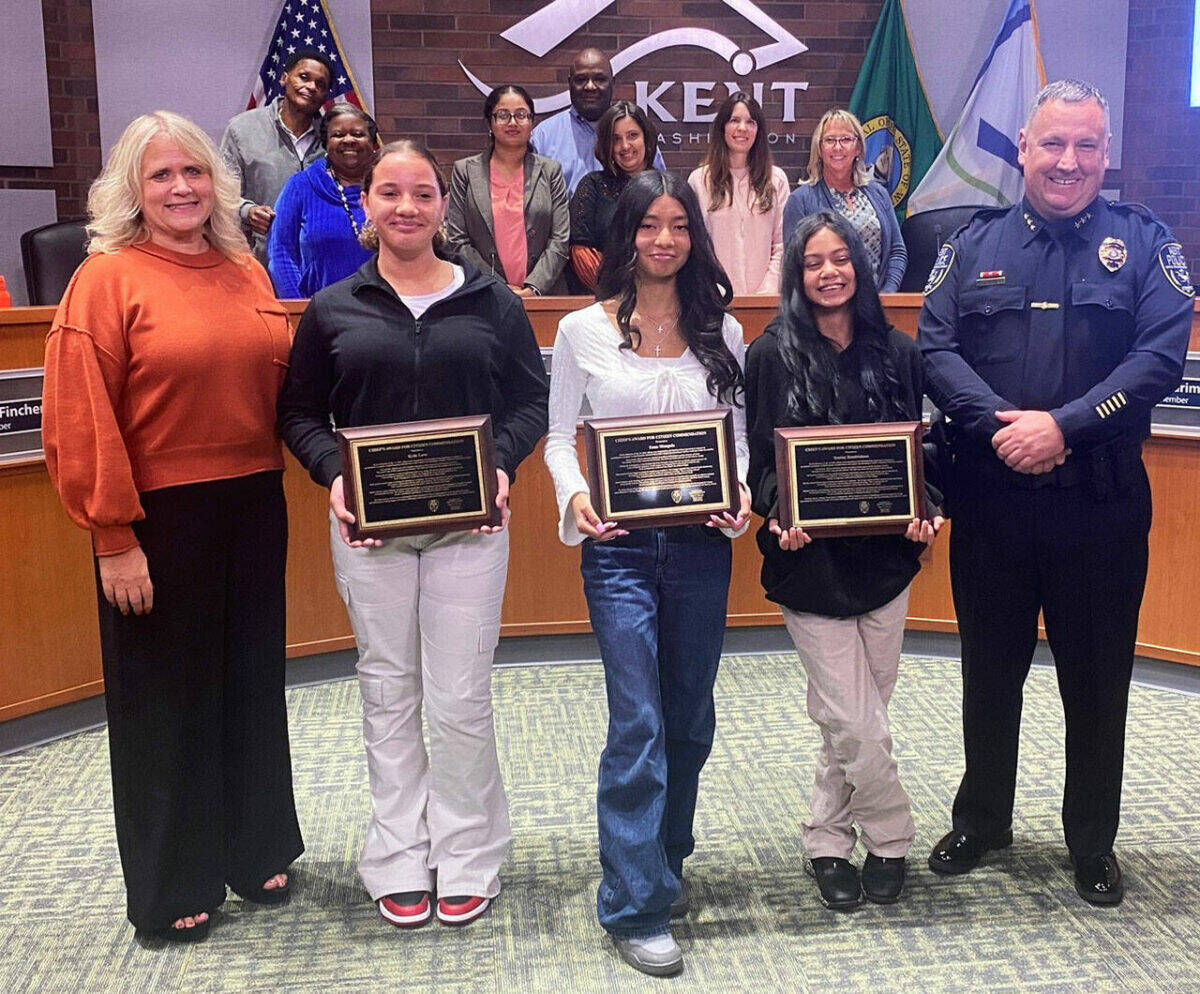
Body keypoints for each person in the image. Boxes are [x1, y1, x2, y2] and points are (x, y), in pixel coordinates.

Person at [917, 80, 1193, 906]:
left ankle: (1091, 841)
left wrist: (1064, 427)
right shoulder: (972, 242)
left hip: (1099, 504)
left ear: (1103, 155)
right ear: (1025, 150)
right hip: (994, 500)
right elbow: (934, 345)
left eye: (1085, 147)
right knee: (989, 672)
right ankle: (983, 818)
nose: (1068, 162)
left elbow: (1158, 357)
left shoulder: (1142, 241)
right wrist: (1004, 423)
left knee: (1097, 678)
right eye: (1052, 145)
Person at [42, 110, 304, 942]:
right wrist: (113, 537)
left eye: (192, 172)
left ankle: (254, 844)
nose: (182, 188)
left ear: (216, 183)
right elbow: (81, 415)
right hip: (159, 520)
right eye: (161, 176)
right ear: (132, 190)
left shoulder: (243, 268)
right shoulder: (106, 278)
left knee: (251, 685)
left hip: (254, 506)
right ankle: (173, 880)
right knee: (165, 705)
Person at [278, 140, 549, 929]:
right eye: (389, 192)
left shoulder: (492, 300)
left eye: (422, 193)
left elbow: (529, 401)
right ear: (366, 204)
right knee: (388, 691)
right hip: (370, 533)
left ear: (443, 205)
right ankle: (398, 851)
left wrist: (500, 464)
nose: (406, 206)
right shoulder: (334, 307)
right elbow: (296, 412)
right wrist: (335, 476)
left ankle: (467, 852)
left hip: (471, 530)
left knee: (461, 698)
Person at [544, 170, 751, 976]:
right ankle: (634, 903)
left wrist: (735, 493)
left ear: (693, 238)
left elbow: (731, 438)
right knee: (639, 723)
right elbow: (563, 438)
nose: (664, 240)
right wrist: (577, 497)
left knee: (689, 722)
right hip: (621, 549)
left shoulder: (721, 330)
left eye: (678, 226)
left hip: (702, 547)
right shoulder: (581, 331)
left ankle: (662, 860)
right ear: (625, 235)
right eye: (648, 226)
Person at [746, 212, 942, 911]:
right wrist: (779, 513)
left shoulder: (901, 351)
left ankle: (826, 838)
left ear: (859, 266)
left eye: (840, 259)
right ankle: (891, 837)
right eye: (812, 263)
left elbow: (920, 452)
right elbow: (761, 462)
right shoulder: (769, 353)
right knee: (860, 723)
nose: (829, 272)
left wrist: (929, 503)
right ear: (796, 277)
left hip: (886, 565)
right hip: (810, 569)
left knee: (849, 719)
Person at [445, 84, 570, 295]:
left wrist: (534, 287)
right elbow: (457, 240)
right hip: (483, 294)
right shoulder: (464, 171)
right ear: (490, 122)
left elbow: (560, 239)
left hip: (544, 296)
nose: (513, 122)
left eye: (521, 115)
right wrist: (498, 287)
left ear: (532, 122)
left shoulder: (550, 171)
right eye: (503, 115)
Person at [220, 48, 334, 264]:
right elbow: (220, 194)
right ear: (284, 78)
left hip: (321, 267)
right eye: (304, 77)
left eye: (320, 84)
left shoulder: (333, 138)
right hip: (260, 263)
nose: (311, 87)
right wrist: (248, 211)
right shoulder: (242, 129)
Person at [783, 109, 907, 293]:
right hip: (825, 309)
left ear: (858, 148)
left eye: (846, 140)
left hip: (877, 307)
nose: (838, 147)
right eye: (830, 140)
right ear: (819, 149)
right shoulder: (800, 201)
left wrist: (887, 295)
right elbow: (794, 264)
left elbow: (897, 252)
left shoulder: (879, 194)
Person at [268, 103, 377, 298]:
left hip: (386, 311)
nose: (349, 140)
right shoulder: (301, 185)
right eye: (338, 135)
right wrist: (301, 308)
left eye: (358, 134)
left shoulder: (389, 186)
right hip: (320, 312)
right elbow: (281, 253)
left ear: (372, 142)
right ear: (325, 143)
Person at [687, 91, 789, 295]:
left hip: (765, 301)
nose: (742, 128)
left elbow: (781, 245)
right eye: (734, 120)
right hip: (713, 299)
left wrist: (766, 292)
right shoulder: (699, 181)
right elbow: (696, 247)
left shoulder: (776, 179)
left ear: (758, 130)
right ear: (722, 127)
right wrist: (715, 291)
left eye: (750, 122)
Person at [531, 46, 665, 196]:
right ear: (569, 83)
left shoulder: (638, 138)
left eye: (599, 79)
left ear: (612, 82)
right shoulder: (544, 136)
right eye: (581, 79)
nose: (590, 86)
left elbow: (660, 193)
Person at [568, 101, 660, 292]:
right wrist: (619, 293)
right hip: (605, 299)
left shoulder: (666, 187)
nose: (625, 146)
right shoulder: (593, 185)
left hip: (660, 296)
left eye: (632, 135)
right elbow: (580, 252)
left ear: (647, 139)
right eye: (616, 139)